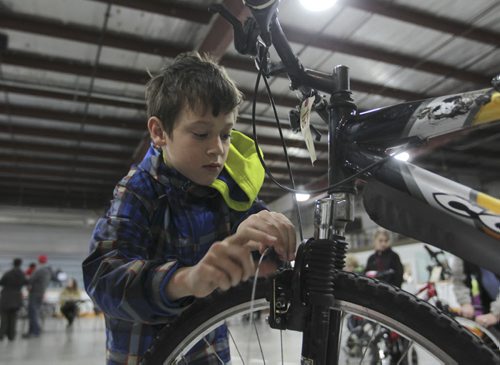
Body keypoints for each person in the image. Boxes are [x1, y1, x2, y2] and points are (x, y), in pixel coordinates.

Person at [82, 52, 296, 365]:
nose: (218, 149)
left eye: (225, 133)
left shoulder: (227, 188)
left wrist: (269, 240)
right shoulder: (138, 190)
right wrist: (187, 280)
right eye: (200, 133)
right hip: (147, 356)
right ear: (159, 132)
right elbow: (104, 277)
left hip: (210, 355)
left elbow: (259, 249)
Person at [450, 257, 500, 330]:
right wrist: (465, 303)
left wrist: (496, 313)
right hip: (489, 302)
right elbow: (459, 280)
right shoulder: (463, 252)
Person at [23, 254, 52, 338]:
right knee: (35, 312)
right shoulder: (48, 271)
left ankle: (35, 331)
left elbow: (30, 280)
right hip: (41, 293)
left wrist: (25, 277)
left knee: (32, 313)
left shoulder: (39, 269)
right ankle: (32, 331)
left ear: (39, 261)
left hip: (34, 293)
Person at [0, 258, 28, 341]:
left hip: (6, 296)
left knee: (4, 317)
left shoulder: (8, 273)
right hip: (16, 297)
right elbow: (26, 282)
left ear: (13, 263)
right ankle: (11, 336)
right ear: (20, 264)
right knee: (13, 317)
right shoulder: (22, 274)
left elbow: (1, 282)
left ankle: (1, 335)